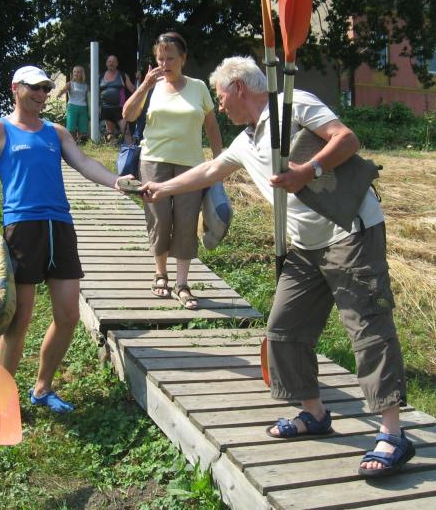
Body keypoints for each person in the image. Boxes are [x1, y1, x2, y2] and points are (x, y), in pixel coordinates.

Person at [139, 56, 413, 478]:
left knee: (367, 328)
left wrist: (309, 170)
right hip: (304, 246)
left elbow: (346, 139)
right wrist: (161, 188)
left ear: (239, 88)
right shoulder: (245, 140)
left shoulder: (293, 104)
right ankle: (314, 413)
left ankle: (393, 434)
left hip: (349, 233)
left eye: (221, 96)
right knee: (284, 328)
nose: (219, 105)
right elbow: (210, 170)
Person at [0, 65, 130, 413]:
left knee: (68, 315)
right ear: (15, 88)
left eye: (45, 88)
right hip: (22, 228)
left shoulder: (56, 132)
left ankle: (41, 389)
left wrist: (116, 181)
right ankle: (0, 401)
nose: (41, 94)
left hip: (60, 228)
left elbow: (84, 163)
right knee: (20, 320)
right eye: (34, 88)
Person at [122, 32, 223, 309]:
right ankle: (160, 273)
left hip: (191, 165)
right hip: (153, 161)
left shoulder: (198, 87)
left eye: (170, 58)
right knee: (159, 218)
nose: (164, 64)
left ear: (183, 59)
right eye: (160, 59)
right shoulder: (151, 87)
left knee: (186, 221)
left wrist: (219, 162)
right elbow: (128, 115)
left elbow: (212, 126)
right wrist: (144, 86)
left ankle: (182, 283)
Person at [99, 55, 135, 143]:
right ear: (106, 63)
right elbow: (93, 91)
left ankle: (130, 148)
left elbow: (132, 89)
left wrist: (139, 79)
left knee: (126, 132)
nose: (111, 63)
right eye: (109, 61)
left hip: (120, 109)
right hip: (106, 109)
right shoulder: (100, 76)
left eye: (113, 61)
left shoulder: (122, 75)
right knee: (109, 134)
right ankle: (111, 149)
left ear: (117, 64)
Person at [57, 65, 89, 143]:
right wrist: (60, 94)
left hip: (83, 107)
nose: (76, 73)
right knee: (71, 127)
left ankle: (80, 142)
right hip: (72, 106)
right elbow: (63, 90)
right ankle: (71, 143)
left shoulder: (86, 85)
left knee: (83, 127)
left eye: (78, 72)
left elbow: (89, 97)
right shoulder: (70, 84)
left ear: (82, 74)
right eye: (74, 72)